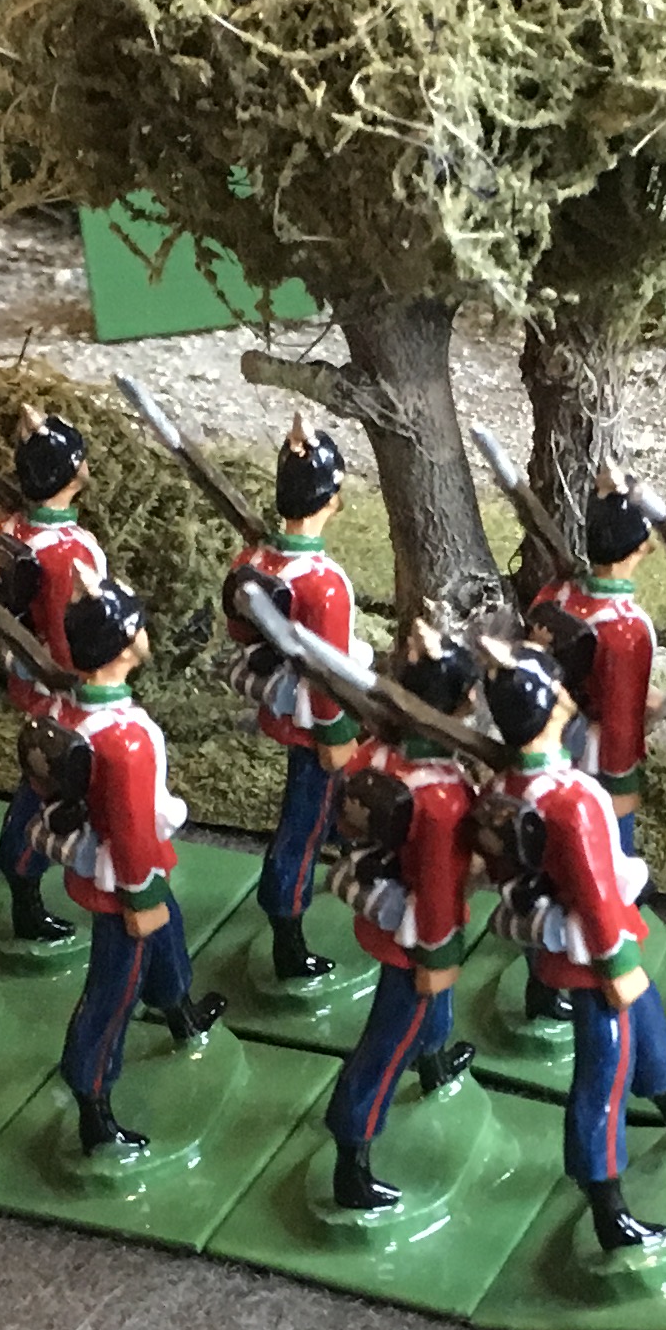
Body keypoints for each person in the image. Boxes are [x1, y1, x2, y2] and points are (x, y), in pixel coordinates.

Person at [486, 651, 666, 1255]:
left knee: (647, 1018)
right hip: (593, 950)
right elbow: (595, 894)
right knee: (602, 1074)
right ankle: (607, 1204)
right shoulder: (572, 800)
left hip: (576, 931)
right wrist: (616, 966)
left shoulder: (506, 786)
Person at [47, 583, 228, 1154]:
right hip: (127, 879)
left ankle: (179, 1009)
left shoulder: (68, 710)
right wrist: (140, 898)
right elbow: (130, 829)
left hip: (126, 865)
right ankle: (93, 1101)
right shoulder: (123, 739)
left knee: (168, 936)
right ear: (124, 643)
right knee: (113, 992)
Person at [319, 633, 490, 1214]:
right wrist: (436, 959)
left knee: (427, 1018)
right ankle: (353, 1150)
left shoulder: (374, 753)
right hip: (417, 935)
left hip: (386, 902)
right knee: (388, 1043)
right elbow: (438, 892)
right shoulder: (442, 797)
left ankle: (435, 1061)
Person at [235, 417, 366, 985]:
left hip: (286, 705)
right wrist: (337, 738)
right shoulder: (323, 583)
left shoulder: (255, 562)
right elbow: (329, 675)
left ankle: (352, 864)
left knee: (333, 815)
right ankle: (288, 936)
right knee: (301, 829)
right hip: (317, 725)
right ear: (331, 498)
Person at [0, 407, 112, 947]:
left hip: (34, 683)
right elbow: (74, 633)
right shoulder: (70, 552)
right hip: (67, 692)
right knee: (47, 788)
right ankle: (26, 880)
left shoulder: (8, 529)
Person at [531, 481, 663, 857]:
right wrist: (622, 783)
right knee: (609, 854)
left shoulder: (554, 596)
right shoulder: (626, 628)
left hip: (546, 735)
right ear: (640, 547)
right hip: (595, 754)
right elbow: (621, 719)